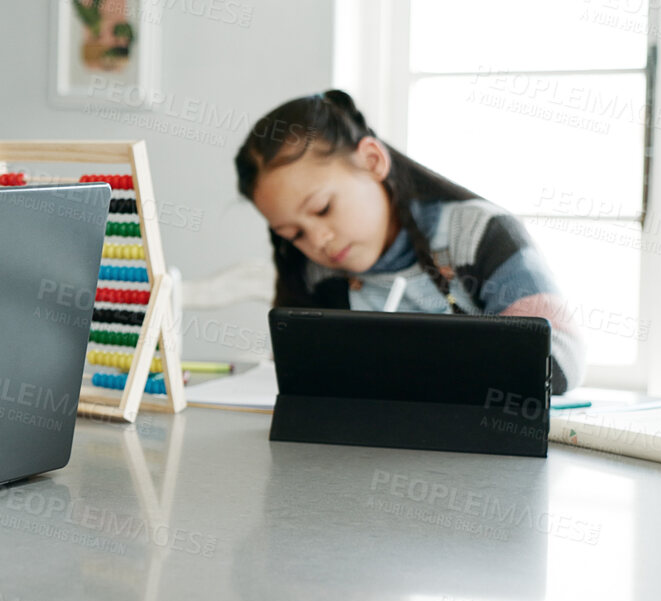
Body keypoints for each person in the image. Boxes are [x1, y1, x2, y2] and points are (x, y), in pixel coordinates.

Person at [234, 90, 582, 392]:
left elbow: (558, 357)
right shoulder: (315, 275)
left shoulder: (477, 234)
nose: (319, 241)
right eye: (294, 235)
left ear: (372, 161)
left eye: (323, 209)